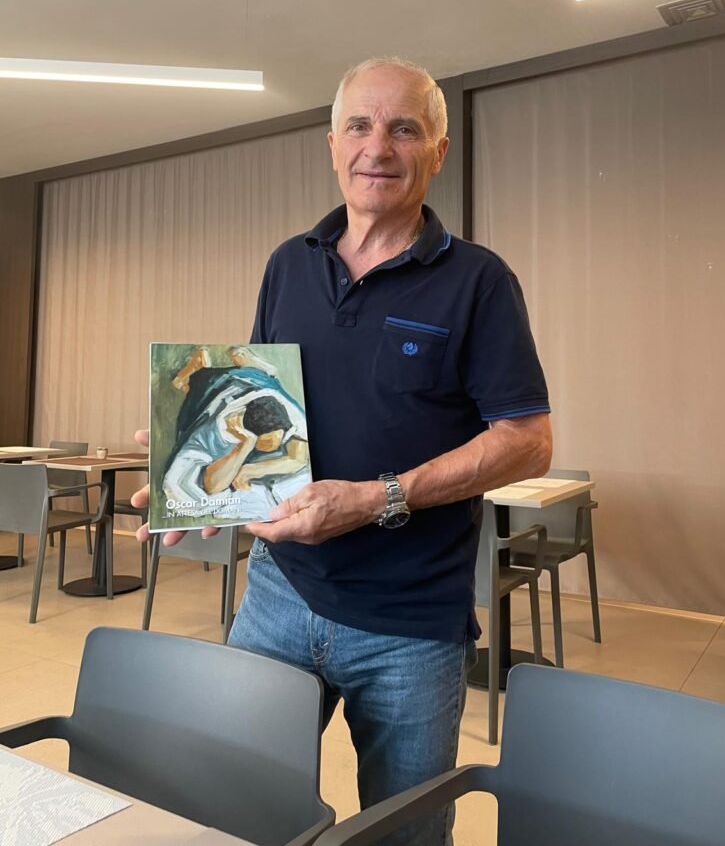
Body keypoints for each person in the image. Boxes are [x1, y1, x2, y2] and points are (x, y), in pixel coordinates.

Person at [132, 57, 552, 846]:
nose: (378, 147)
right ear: (332, 144)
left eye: (404, 129)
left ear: (438, 151)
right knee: (234, 811)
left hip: (410, 625)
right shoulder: (288, 264)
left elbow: (527, 443)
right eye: (359, 125)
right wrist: (194, 479)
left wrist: (376, 498)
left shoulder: (479, 281)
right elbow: (260, 398)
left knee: (402, 835)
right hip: (277, 595)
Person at [161, 345, 309, 521]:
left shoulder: (290, 415)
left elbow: (299, 458)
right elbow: (211, 485)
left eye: (278, 439)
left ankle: (254, 369)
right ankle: (195, 370)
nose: (273, 445)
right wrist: (245, 445)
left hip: (256, 384)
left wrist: (250, 470)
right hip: (220, 388)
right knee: (198, 385)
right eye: (265, 443)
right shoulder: (217, 431)